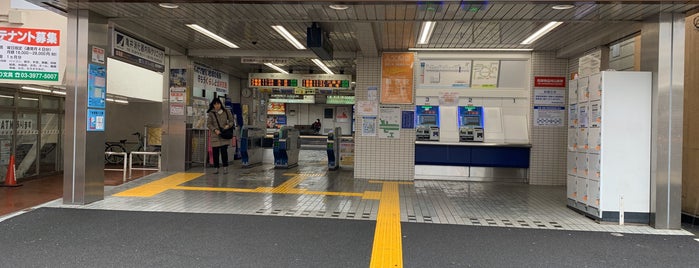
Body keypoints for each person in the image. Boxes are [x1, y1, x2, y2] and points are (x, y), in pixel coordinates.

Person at [207, 97, 235, 174]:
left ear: (220, 104)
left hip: (224, 135)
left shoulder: (226, 111)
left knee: (224, 152)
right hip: (215, 136)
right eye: (215, 104)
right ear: (213, 105)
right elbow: (209, 124)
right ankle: (216, 168)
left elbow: (232, 121)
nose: (217, 106)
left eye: (218, 104)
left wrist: (228, 126)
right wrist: (215, 130)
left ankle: (225, 168)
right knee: (215, 152)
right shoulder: (211, 113)